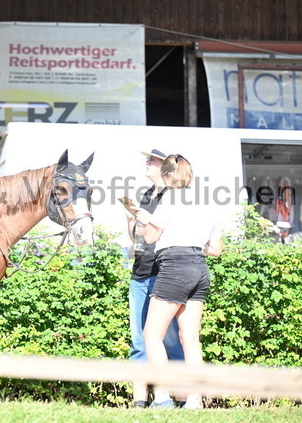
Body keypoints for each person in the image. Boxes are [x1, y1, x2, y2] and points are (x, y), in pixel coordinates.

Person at [138, 154, 223, 409]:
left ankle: (162, 397)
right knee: (190, 338)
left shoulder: (169, 199)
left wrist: (145, 221)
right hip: (199, 266)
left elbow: (151, 238)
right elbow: (216, 250)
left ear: (168, 175)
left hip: (174, 265)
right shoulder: (208, 203)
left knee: (152, 335)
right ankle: (195, 401)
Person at [122, 149, 185, 408]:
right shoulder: (146, 195)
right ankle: (139, 401)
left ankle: (180, 398)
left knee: (170, 340)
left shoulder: (174, 197)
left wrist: (146, 221)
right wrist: (129, 218)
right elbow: (136, 237)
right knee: (139, 340)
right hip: (140, 272)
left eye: (152, 160)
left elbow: (168, 233)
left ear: (166, 168)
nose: (147, 163)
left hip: (164, 273)